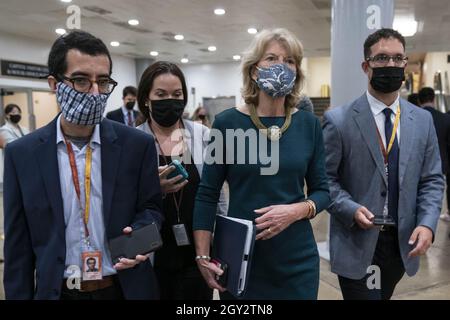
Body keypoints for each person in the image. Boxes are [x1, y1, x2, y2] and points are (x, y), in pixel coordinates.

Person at [3, 30, 163, 300]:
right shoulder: (23, 154)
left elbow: (152, 209)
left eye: (102, 81)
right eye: (80, 80)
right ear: (55, 84)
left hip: (123, 288)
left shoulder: (137, 146)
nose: (94, 92)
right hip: (59, 291)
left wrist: (139, 236)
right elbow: (17, 247)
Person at [192, 28, 330, 299]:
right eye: (271, 58)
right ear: (254, 71)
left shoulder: (309, 125)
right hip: (243, 259)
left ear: (297, 71)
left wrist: (295, 211)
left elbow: (323, 191)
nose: (282, 66)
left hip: (297, 260)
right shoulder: (227, 124)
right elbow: (207, 194)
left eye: (289, 61)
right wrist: (202, 254)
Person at [323, 28, 444, 300]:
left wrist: (427, 223)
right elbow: (325, 180)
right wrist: (350, 209)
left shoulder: (422, 121)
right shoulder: (339, 121)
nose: (390, 65)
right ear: (366, 66)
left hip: (401, 243)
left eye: (398, 58)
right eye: (381, 58)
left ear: (404, 63)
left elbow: (432, 179)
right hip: (357, 240)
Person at [136, 61, 228, 300]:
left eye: (177, 94)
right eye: (161, 94)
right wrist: (154, 190)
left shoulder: (202, 136)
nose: (170, 100)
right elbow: (122, 202)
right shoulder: (134, 141)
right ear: (146, 98)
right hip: (152, 258)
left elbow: (217, 197)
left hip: (197, 256)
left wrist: (222, 244)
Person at [418, 87, 450, 222]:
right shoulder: (445, 118)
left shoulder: (413, 117)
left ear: (419, 100)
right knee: (435, 191)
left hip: (416, 164)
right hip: (441, 163)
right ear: (433, 99)